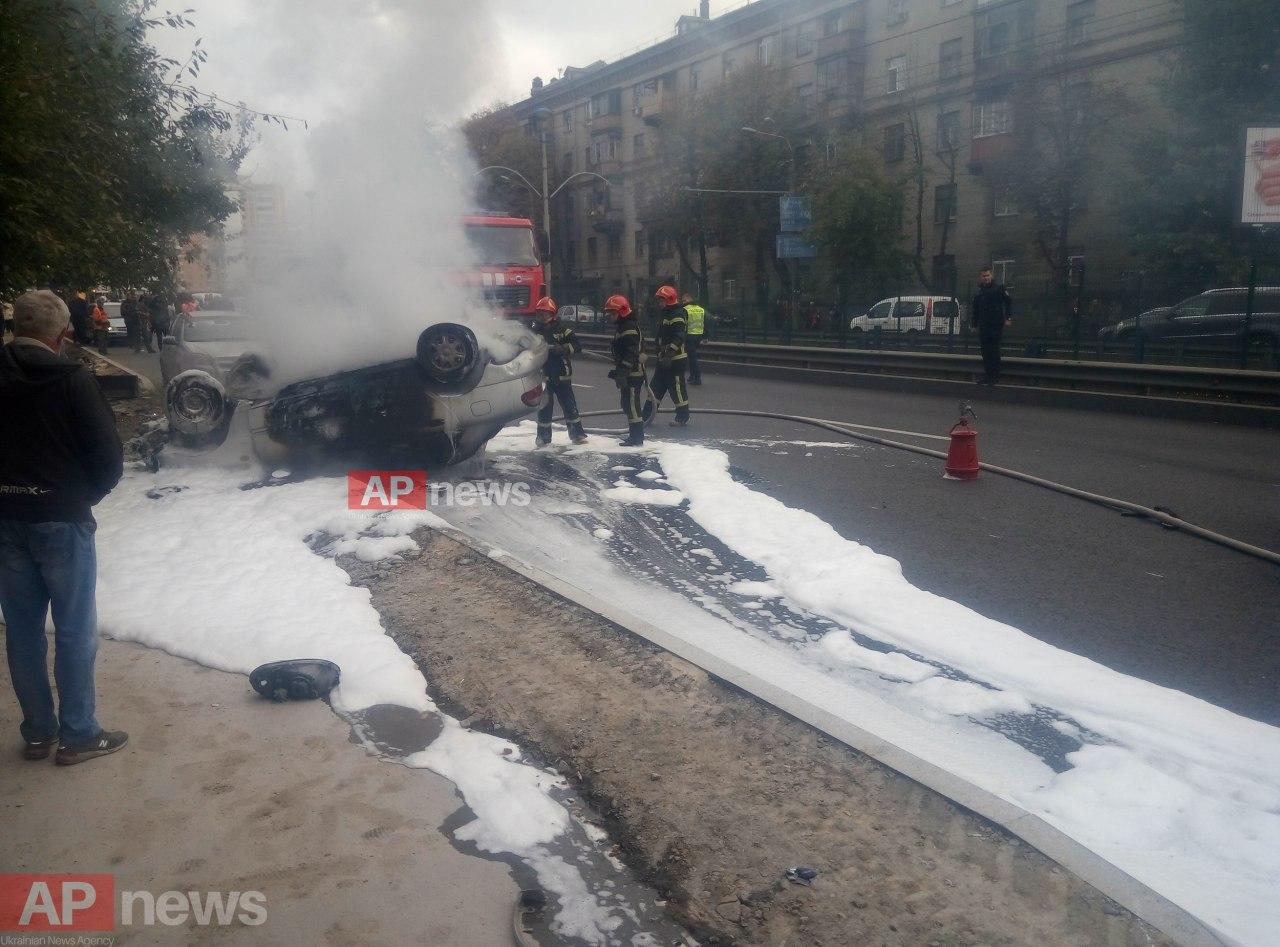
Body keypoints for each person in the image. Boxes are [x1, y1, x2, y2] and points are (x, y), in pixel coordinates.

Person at [0, 290, 126, 765]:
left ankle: (37, 733)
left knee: (23, 629)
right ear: (60, 332)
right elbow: (109, 458)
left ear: (16, 327)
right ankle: (78, 735)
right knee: (73, 630)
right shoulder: (73, 380)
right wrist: (80, 497)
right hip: (61, 521)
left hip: (5, 521)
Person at [531, 297, 587, 447]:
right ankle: (543, 437)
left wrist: (564, 348)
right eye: (540, 313)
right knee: (544, 408)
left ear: (552, 314)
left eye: (545, 313)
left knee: (569, 406)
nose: (542, 316)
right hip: (543, 376)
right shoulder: (533, 331)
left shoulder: (563, 330)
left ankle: (577, 435)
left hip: (562, 375)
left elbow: (577, 346)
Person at [606, 294, 646, 447]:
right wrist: (619, 371)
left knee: (631, 405)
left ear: (621, 311)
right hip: (629, 371)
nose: (610, 317)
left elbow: (631, 352)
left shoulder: (628, 327)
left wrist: (622, 371)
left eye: (612, 313)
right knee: (627, 404)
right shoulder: (624, 326)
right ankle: (634, 435)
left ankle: (637, 437)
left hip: (633, 373)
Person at [649, 285, 691, 426]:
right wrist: (657, 347)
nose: (660, 303)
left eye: (662, 300)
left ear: (670, 300)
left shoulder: (678, 314)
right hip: (664, 358)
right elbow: (661, 334)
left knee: (677, 389)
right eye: (659, 300)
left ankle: (682, 417)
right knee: (655, 387)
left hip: (675, 360)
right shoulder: (666, 313)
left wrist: (670, 353)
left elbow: (679, 337)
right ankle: (646, 415)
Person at [971, 267, 1013, 385]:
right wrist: (974, 324)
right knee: (985, 351)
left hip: (995, 324)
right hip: (984, 325)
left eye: (988, 275)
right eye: (984, 276)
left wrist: (1008, 317)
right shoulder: (979, 292)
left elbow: (1008, 301)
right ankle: (988, 375)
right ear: (981, 277)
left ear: (992, 276)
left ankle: (995, 376)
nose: (986, 278)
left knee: (994, 350)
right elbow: (975, 310)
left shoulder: (998, 289)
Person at [681, 292, 706, 386]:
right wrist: (705, 336)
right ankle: (692, 376)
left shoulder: (685, 309)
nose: (683, 302)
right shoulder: (700, 309)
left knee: (693, 358)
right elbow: (705, 322)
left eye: (684, 300)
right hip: (699, 335)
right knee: (692, 356)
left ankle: (697, 378)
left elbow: (683, 324)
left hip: (689, 335)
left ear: (689, 299)